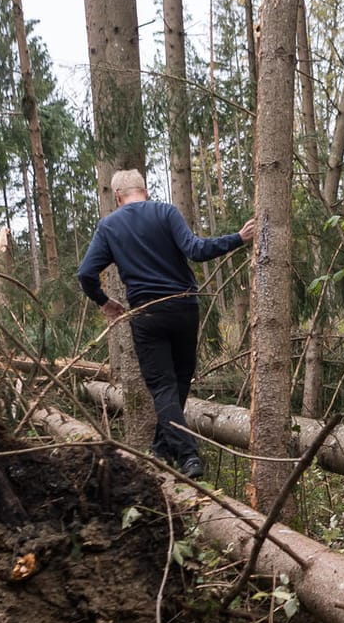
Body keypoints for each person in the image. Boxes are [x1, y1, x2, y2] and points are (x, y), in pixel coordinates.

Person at [77, 169, 256, 478]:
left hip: (147, 314)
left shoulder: (109, 226)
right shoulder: (166, 212)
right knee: (180, 383)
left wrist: (105, 302)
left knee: (163, 388)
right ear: (144, 191)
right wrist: (238, 239)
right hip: (185, 308)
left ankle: (187, 457)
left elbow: (85, 274)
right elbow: (196, 251)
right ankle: (161, 449)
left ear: (117, 197)